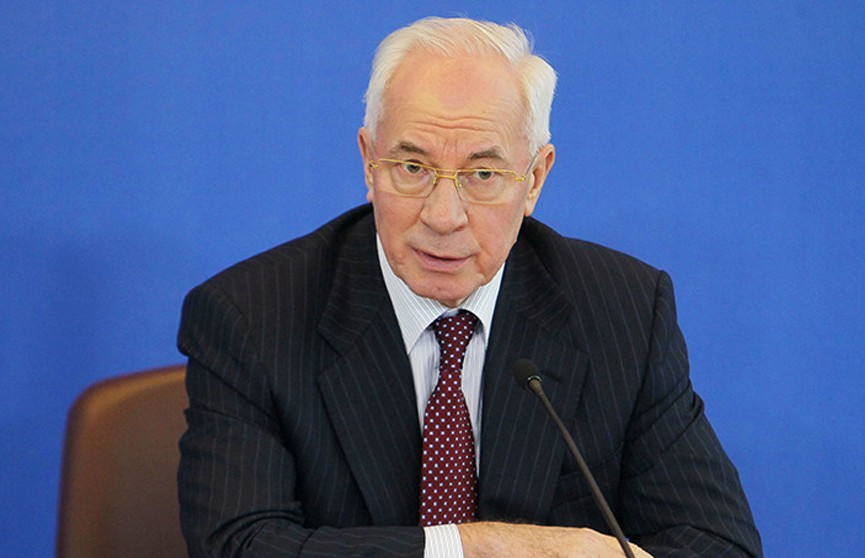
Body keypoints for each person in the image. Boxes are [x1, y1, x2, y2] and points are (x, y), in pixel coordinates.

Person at [177, 16, 762, 558]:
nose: (443, 216)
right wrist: (474, 547)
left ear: (535, 179)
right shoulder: (251, 317)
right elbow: (240, 545)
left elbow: (719, 545)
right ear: (368, 162)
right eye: (413, 168)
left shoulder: (624, 311)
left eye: (483, 174)